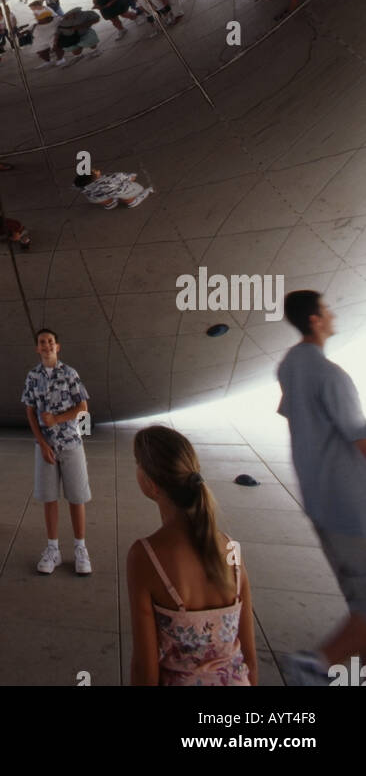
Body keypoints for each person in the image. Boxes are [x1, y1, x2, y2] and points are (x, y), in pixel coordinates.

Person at [276, 290, 366, 685]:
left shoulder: (289, 365)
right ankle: (316, 667)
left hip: (319, 500)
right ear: (314, 319)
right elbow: (359, 439)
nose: (332, 314)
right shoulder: (333, 375)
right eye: (327, 308)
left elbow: (291, 412)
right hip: (351, 508)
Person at [127, 425, 257, 685]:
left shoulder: (145, 557)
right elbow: (249, 660)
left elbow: (145, 669)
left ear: (151, 485)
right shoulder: (231, 549)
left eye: (138, 464)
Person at [22, 329, 92, 575]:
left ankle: (80, 548)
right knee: (49, 498)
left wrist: (58, 419)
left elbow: (83, 407)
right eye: (42, 342)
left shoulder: (70, 373)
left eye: (50, 342)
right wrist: (41, 442)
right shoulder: (32, 377)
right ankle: (53, 549)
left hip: (71, 443)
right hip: (46, 447)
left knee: (76, 497)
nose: (47, 346)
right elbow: (30, 410)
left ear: (57, 346)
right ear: (37, 348)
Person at [74, 168, 154, 208]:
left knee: (102, 198)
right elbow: (131, 177)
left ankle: (110, 204)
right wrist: (132, 175)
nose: (97, 170)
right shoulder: (111, 178)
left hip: (97, 197)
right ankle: (131, 202)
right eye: (95, 171)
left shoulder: (82, 186)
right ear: (95, 177)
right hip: (119, 191)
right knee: (131, 191)